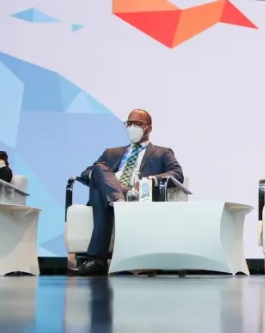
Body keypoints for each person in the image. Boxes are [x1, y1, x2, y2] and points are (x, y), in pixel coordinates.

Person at [74, 109, 183, 276]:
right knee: (99, 169)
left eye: (137, 124)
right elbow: (86, 173)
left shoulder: (163, 152)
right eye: (129, 123)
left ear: (149, 128)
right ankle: (117, 200)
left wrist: (151, 179)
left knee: (100, 180)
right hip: (114, 194)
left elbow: (177, 174)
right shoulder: (111, 152)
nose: (132, 127)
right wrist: (100, 177)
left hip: (137, 194)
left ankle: (97, 260)